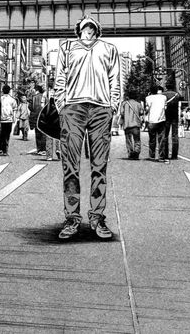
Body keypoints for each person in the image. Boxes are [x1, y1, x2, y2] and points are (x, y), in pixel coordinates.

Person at [54, 15, 120, 240]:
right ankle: (72, 218)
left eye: (93, 26)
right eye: (85, 26)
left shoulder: (109, 48)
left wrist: (113, 106)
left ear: (97, 30)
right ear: (78, 29)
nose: (89, 28)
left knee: (99, 167)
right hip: (73, 109)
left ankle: (97, 217)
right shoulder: (67, 48)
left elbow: (115, 80)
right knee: (70, 166)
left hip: (101, 109)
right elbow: (59, 78)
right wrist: (61, 105)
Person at [145, 84, 168, 162]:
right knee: (161, 139)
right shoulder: (163, 97)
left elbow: (147, 109)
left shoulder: (148, 98)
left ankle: (152, 156)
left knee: (152, 139)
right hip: (161, 120)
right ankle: (161, 156)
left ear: (150, 91)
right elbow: (165, 107)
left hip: (151, 120)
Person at [119, 90, 144, 159]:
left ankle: (130, 153)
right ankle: (136, 152)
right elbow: (141, 112)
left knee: (128, 140)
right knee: (137, 140)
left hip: (127, 124)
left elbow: (121, 113)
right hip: (136, 125)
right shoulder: (138, 104)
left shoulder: (124, 104)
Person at [0, 84, 17, 156]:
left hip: (1, 119)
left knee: (1, 134)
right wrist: (14, 119)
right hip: (9, 120)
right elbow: (15, 109)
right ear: (9, 91)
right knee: (7, 135)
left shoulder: (0, 99)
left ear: (2, 90)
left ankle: (0, 149)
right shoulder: (12, 100)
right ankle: (5, 150)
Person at [163, 83, 181, 160]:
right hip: (175, 117)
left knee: (165, 136)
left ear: (166, 87)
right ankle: (174, 155)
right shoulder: (177, 94)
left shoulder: (163, 95)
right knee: (175, 136)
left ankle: (165, 154)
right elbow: (180, 104)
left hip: (166, 117)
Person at [29, 84, 47, 155]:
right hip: (44, 117)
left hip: (36, 117)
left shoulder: (34, 97)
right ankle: (44, 149)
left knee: (37, 133)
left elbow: (30, 107)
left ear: (37, 90)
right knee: (43, 133)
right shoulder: (45, 97)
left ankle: (39, 149)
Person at [45, 87, 61, 161]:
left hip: (49, 116)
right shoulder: (61, 93)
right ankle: (59, 150)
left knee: (49, 135)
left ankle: (49, 155)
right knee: (59, 135)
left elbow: (43, 105)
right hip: (58, 116)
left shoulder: (46, 93)